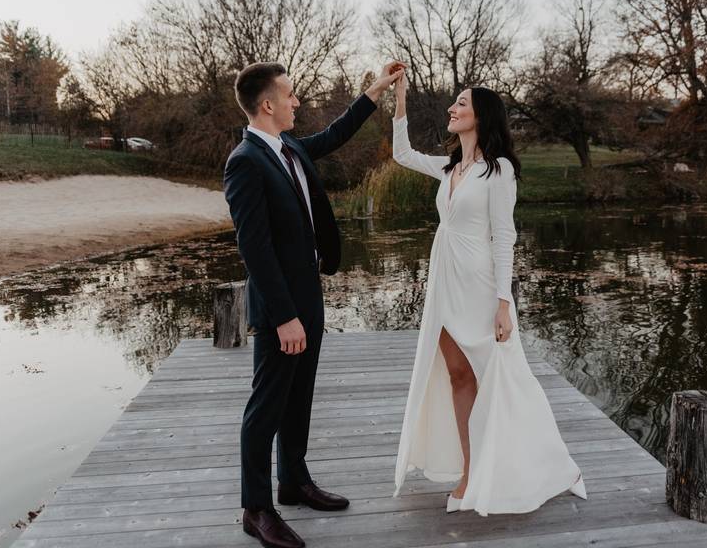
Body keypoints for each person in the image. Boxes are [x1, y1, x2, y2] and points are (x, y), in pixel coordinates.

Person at [390, 71, 587, 516]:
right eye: (454, 103)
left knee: (503, 377)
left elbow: (504, 237)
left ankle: (551, 463)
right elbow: (401, 153)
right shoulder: (448, 168)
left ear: (481, 116)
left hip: (480, 287)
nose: (452, 109)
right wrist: (400, 96)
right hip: (444, 283)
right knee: (458, 375)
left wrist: (504, 303)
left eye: (461, 103)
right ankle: (471, 468)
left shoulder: (499, 171)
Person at [224, 60, 404, 548]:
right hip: (281, 307)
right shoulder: (246, 160)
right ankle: (255, 507)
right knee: (266, 407)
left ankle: (293, 481)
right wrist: (283, 317)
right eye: (291, 95)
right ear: (268, 104)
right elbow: (254, 248)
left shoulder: (291, 149)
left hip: (309, 296)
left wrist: (375, 91)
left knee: (300, 396)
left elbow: (336, 133)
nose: (297, 102)